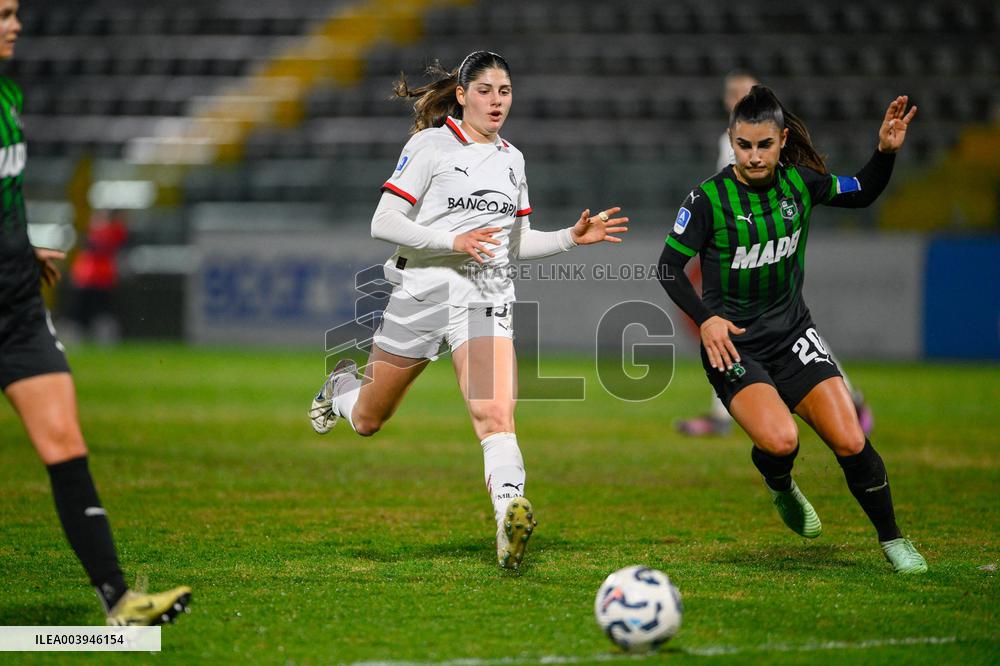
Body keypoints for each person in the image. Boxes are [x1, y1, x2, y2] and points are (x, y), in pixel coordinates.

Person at [308, 51, 628, 569]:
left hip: (484, 297)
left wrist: (571, 237)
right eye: (485, 90)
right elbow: (383, 222)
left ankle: (509, 516)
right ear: (461, 95)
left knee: (495, 415)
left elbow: (514, 243)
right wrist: (453, 240)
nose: (497, 101)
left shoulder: (512, 159)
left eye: (504, 91)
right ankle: (339, 386)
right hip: (421, 294)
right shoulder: (431, 145)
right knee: (368, 418)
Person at [657, 84, 926, 573]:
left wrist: (884, 153)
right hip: (734, 348)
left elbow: (861, 191)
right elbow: (668, 268)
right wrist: (707, 319)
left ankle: (894, 541)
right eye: (744, 145)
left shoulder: (801, 183)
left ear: (782, 140)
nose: (754, 156)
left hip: (794, 335)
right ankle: (780, 484)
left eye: (764, 145)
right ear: (731, 141)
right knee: (782, 442)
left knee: (850, 440)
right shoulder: (707, 199)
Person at [0, 0, 191, 623]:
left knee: (65, 443)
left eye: (15, 13)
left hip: (19, 306)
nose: (16, 25)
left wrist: (22, 250)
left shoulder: (7, 98)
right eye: (3, 14)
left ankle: (118, 600)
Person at [675, 71, 874, 438]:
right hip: (737, 254)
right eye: (734, 92)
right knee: (729, 333)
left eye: (747, 91)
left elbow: (852, 191)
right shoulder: (728, 143)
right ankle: (726, 413)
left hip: (763, 255)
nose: (740, 96)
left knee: (783, 331)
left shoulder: (776, 160)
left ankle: (849, 398)